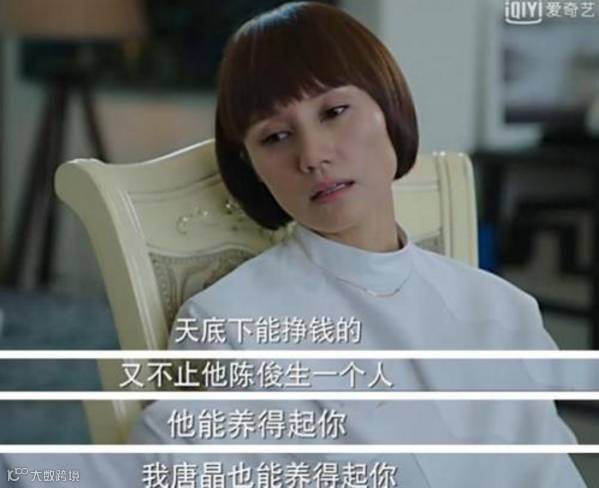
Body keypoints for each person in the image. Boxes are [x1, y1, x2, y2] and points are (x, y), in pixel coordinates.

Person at [130, 2, 587, 487]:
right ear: (253, 169)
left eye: (334, 112)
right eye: (276, 136)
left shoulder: (501, 309)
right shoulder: (230, 326)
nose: (312, 155)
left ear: (388, 107)